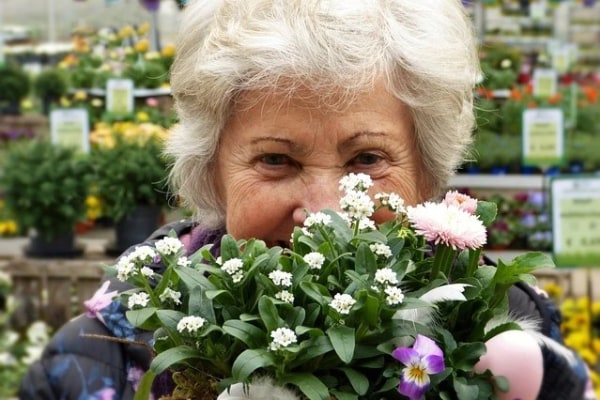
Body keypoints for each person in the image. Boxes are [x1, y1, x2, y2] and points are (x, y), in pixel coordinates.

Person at [19, 0, 591, 399]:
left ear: (427, 174)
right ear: (211, 174)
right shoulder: (99, 358)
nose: (323, 214)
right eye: (276, 160)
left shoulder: (502, 330)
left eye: (367, 160)